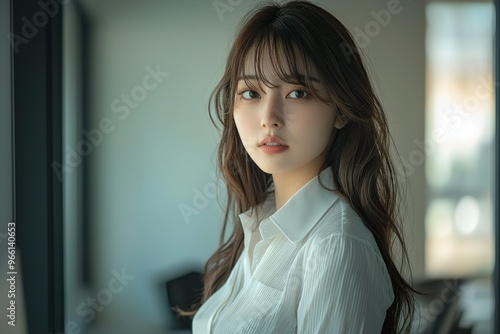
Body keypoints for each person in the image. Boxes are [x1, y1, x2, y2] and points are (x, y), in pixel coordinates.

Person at [179, 1, 416, 332]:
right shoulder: (260, 223)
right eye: (250, 93)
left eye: (297, 92)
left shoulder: (335, 247)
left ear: (342, 110)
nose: (269, 118)